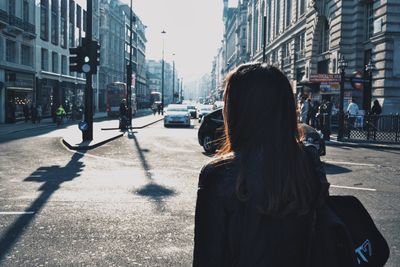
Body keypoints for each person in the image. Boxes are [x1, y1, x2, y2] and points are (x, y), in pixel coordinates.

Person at [193, 63, 328, 266]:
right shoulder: (308, 161)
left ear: (237, 111)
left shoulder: (220, 174)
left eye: (226, 102)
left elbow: (208, 258)